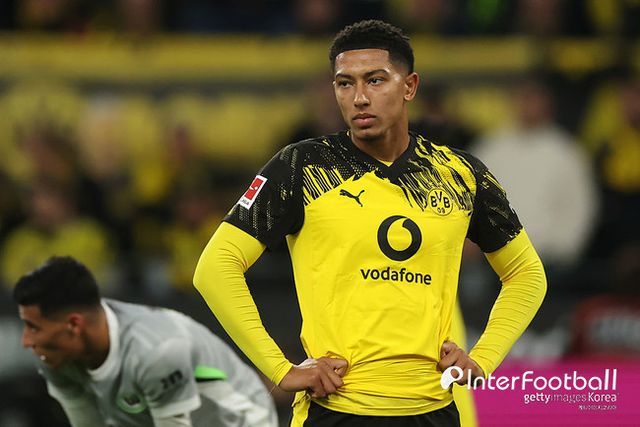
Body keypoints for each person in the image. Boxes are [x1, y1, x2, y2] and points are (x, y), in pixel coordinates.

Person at [194, 19, 547, 426]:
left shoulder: (460, 174)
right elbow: (215, 268)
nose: (359, 98)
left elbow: (527, 274)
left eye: (375, 80)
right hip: (335, 410)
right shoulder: (301, 167)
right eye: (345, 84)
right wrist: (281, 369)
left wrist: (484, 358)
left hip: (433, 412)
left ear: (409, 86)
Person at [14, 256, 278, 427]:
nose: (26, 341)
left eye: (33, 327)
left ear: (74, 324)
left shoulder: (157, 350)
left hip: (241, 420)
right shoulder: (55, 357)